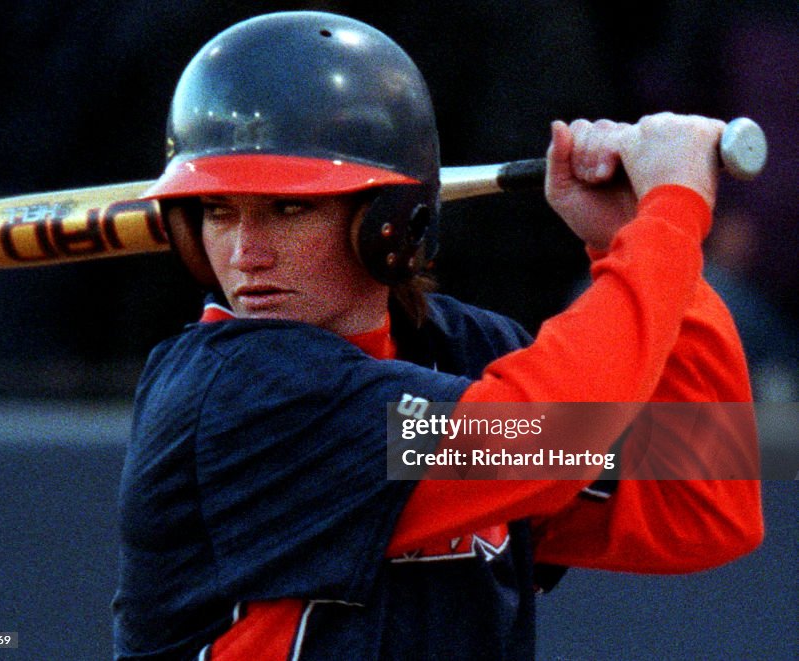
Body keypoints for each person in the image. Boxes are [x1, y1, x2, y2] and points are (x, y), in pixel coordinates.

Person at [111, 11, 763, 661]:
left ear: (390, 220)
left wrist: (623, 232)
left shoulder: (463, 351)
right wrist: (669, 214)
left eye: (288, 209)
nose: (246, 253)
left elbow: (706, 497)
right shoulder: (235, 395)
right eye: (220, 213)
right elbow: (539, 433)